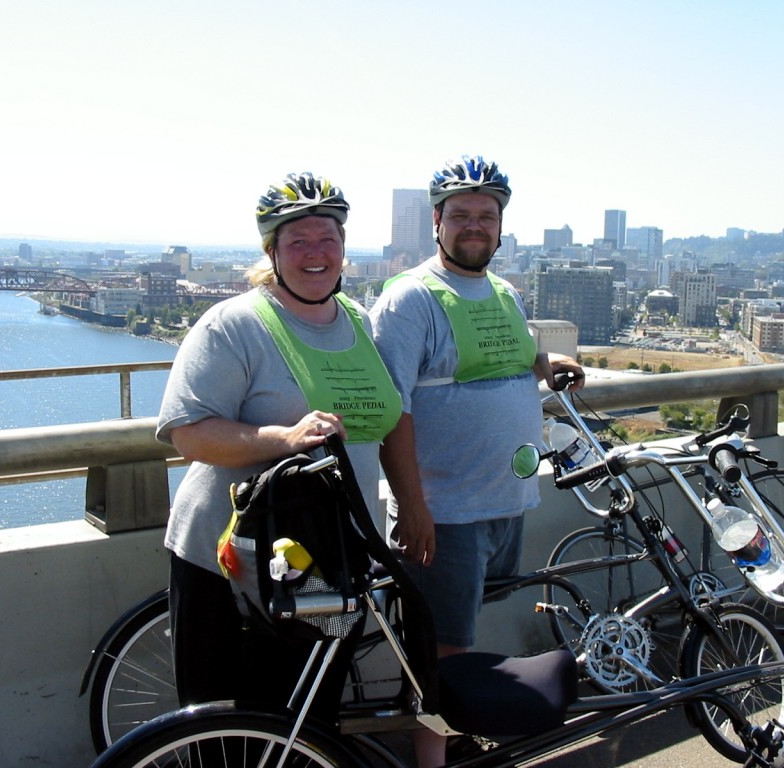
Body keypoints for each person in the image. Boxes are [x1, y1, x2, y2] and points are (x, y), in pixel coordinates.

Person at [155, 171, 401, 725]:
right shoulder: (233, 325)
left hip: (333, 557)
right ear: (272, 251)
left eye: (327, 239)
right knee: (229, 727)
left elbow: (385, 425)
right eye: (298, 241)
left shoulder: (358, 322)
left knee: (310, 720)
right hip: (235, 560)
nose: (316, 253)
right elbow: (187, 432)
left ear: (343, 246)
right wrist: (284, 439)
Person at [368, 155, 583, 766]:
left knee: (457, 637)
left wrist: (549, 366)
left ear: (500, 226)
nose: (474, 225)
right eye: (460, 214)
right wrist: (413, 506)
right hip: (446, 510)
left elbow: (513, 359)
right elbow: (393, 409)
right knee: (442, 652)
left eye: (486, 216)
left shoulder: (504, 293)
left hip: (504, 502)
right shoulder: (410, 299)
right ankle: (430, 760)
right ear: (436, 222)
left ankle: (450, 736)